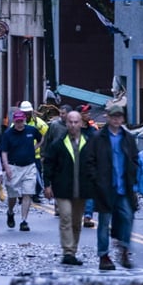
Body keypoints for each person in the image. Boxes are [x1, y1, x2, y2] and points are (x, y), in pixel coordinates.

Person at [82, 105, 139, 270]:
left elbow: (134, 159)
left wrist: (132, 177)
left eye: (119, 116)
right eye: (113, 116)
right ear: (107, 117)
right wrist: (96, 180)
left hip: (123, 187)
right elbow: (89, 160)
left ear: (122, 118)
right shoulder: (98, 137)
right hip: (105, 188)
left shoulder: (127, 138)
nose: (116, 119)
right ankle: (103, 255)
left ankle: (124, 249)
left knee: (128, 217)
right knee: (104, 222)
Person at [43, 111, 93, 265]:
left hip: (82, 188)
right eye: (70, 122)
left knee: (76, 222)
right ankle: (68, 252)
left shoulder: (89, 142)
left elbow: (94, 165)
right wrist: (47, 184)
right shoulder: (58, 144)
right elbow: (49, 164)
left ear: (81, 123)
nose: (73, 125)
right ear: (66, 123)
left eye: (76, 122)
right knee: (65, 217)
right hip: (63, 188)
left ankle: (73, 250)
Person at [0, 110, 43, 232]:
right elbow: (4, 151)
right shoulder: (8, 134)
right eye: (17, 121)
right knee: (13, 195)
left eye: (21, 121)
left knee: (27, 193)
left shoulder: (31, 130)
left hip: (29, 166)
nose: (20, 123)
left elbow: (41, 138)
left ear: (24, 120)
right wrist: (6, 167)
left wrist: (34, 148)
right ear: (14, 121)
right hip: (14, 166)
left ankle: (24, 220)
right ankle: (10, 211)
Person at [18, 101, 49, 203]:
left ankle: (36, 194)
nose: (26, 115)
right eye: (24, 112)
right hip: (21, 155)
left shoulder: (38, 123)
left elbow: (46, 134)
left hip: (35, 155)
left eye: (28, 112)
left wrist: (38, 147)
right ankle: (21, 195)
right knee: (21, 175)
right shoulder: (17, 122)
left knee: (37, 175)